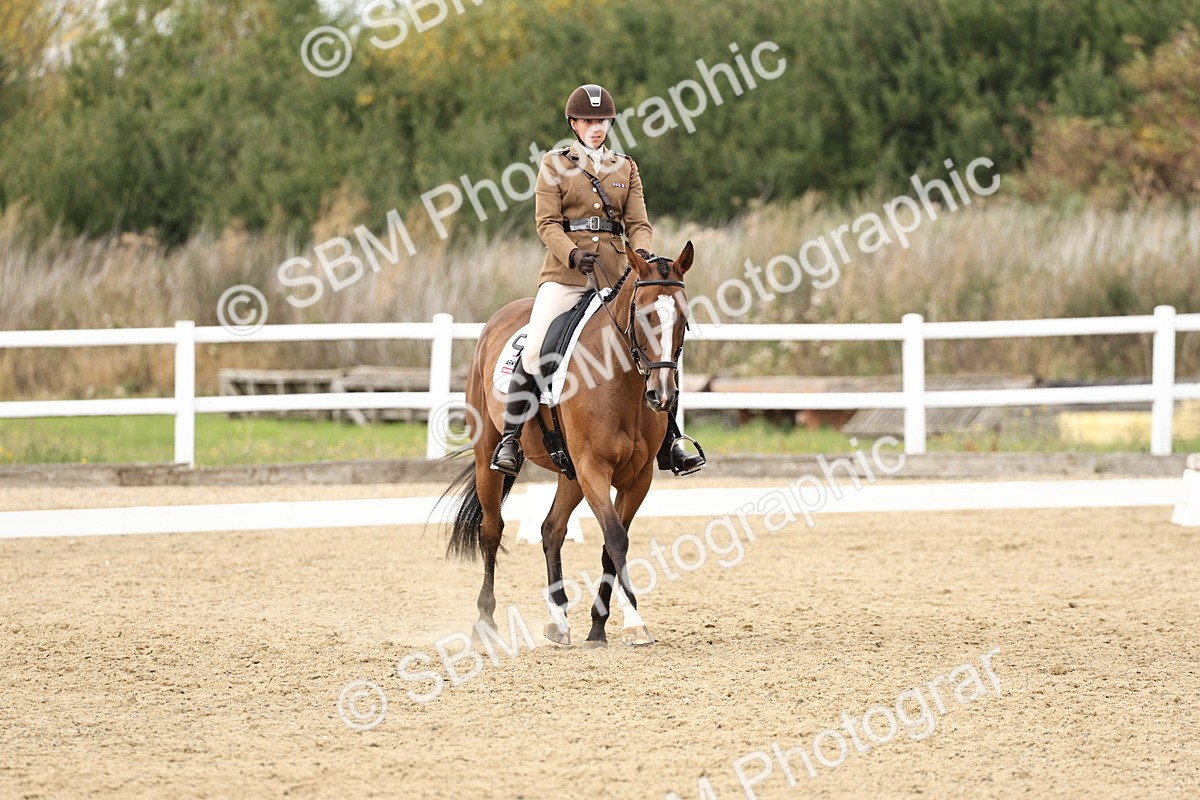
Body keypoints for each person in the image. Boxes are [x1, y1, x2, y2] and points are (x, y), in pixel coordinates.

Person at [490, 83, 705, 477]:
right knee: (536, 350)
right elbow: (546, 223)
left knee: (654, 345)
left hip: (618, 275)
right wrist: (572, 253)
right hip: (566, 274)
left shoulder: (625, 167)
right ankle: (510, 438)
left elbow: (639, 224)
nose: (596, 128)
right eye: (588, 121)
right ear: (574, 124)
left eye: (602, 121)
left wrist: (641, 257)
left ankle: (670, 440)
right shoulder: (555, 164)